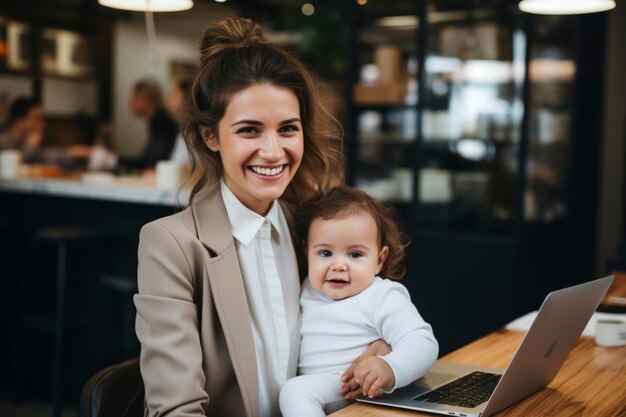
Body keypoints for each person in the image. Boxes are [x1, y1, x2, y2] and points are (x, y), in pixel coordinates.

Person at [134, 17, 386, 417]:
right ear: (210, 137)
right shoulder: (171, 245)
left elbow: (368, 310)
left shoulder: (310, 226)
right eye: (250, 131)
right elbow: (176, 410)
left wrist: (379, 348)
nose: (273, 152)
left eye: (288, 129)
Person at [279, 186, 438, 416]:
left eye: (355, 254)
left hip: (352, 384)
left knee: (294, 391)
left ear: (379, 260)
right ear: (307, 252)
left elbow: (423, 342)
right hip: (323, 390)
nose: (339, 265)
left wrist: (390, 366)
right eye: (325, 253)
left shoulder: (381, 296)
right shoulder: (306, 288)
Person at [119, 79, 178, 169]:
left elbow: (151, 162)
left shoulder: (163, 123)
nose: (131, 102)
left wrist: (112, 160)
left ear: (144, 99)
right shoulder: (156, 120)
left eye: (134, 97)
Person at [0, 96, 45, 163]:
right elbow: (11, 166)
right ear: (18, 121)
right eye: (36, 118)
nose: (42, 124)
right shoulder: (2, 142)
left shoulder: (35, 140)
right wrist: (30, 146)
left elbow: (46, 156)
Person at [165, 78, 191, 164]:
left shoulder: (193, 131)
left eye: (174, 95)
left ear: (186, 97)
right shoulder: (185, 129)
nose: (169, 100)